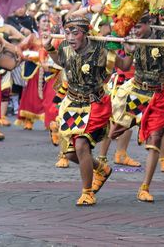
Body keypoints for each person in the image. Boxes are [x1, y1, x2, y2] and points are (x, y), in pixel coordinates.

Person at [111, 13, 164, 202]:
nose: (135, 31)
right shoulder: (133, 40)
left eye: (138, 27)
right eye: (133, 27)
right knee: (112, 130)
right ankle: (101, 165)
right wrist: (116, 53)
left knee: (155, 140)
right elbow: (126, 66)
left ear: (149, 23)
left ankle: (145, 187)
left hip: (158, 96)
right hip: (136, 93)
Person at [43, 15, 113, 206]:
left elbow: (119, 66)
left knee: (82, 145)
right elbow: (61, 61)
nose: (70, 37)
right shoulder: (65, 47)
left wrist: (125, 51)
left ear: (86, 33)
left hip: (94, 105)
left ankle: (87, 192)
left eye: (75, 33)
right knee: (71, 154)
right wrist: (49, 47)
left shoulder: (99, 49)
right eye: (67, 32)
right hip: (73, 104)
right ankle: (102, 169)